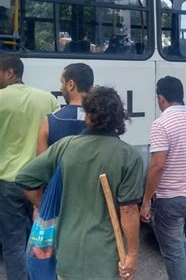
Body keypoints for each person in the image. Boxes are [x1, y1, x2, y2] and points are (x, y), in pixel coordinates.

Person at [16, 86, 143, 279]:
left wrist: (41, 203)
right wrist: (132, 255)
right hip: (105, 259)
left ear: (88, 115)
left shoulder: (65, 146)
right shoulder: (129, 156)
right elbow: (128, 210)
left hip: (67, 254)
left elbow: (25, 178)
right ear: (119, 118)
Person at [140, 76, 186, 280]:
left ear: (161, 98)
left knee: (173, 252)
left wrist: (146, 202)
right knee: (179, 244)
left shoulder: (161, 124)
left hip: (169, 199)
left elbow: (157, 166)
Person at [0, 54, 60, 280]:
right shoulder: (47, 99)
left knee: (13, 240)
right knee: (41, 236)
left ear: (10, 72)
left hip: (8, 182)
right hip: (39, 181)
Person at [37, 63, 94, 154]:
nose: (61, 88)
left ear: (71, 84)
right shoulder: (103, 120)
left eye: (62, 82)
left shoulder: (49, 121)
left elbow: (41, 165)